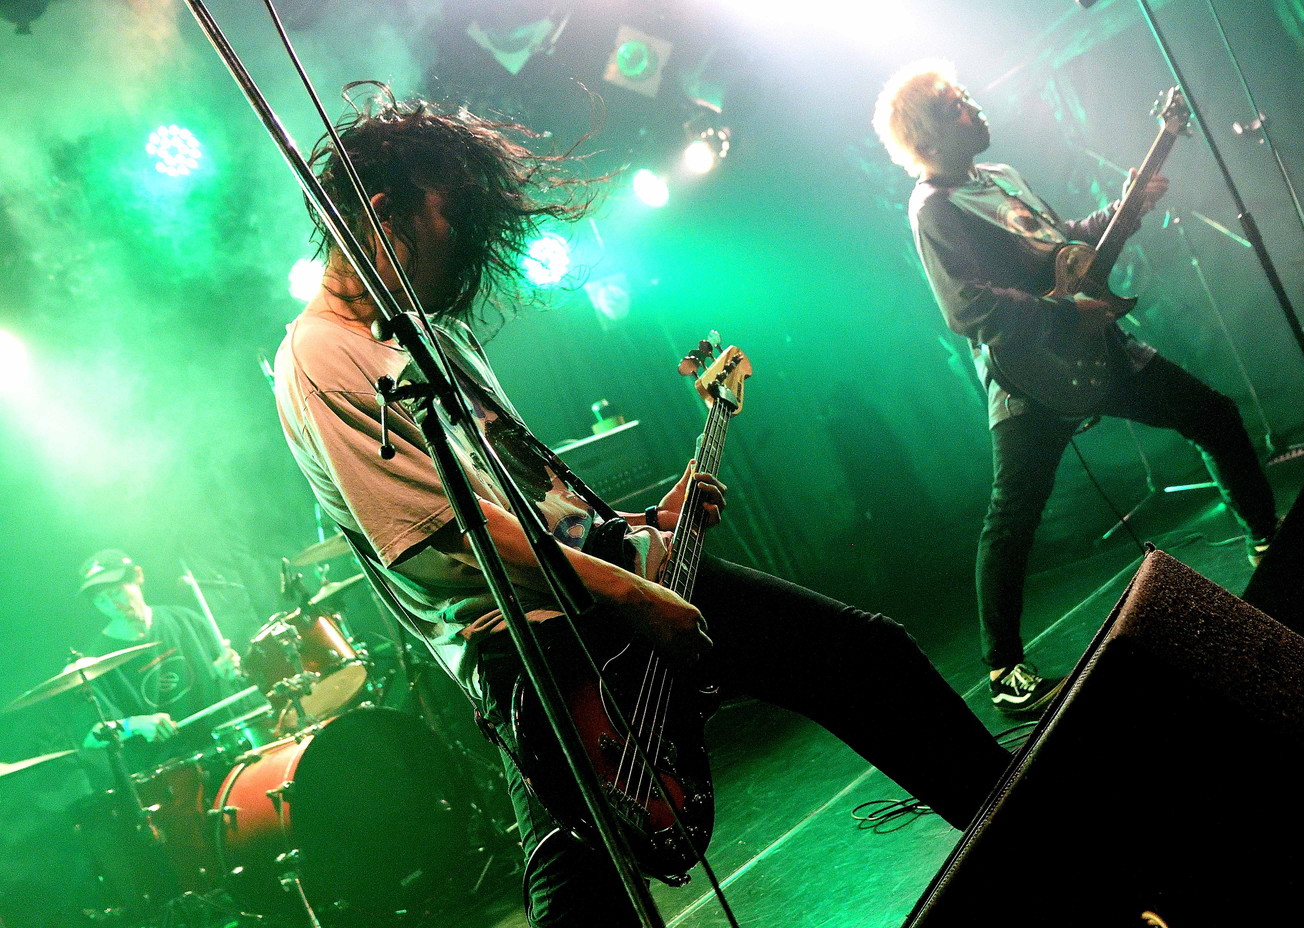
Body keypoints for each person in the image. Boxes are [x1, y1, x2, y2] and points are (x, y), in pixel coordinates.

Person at [273, 87, 1011, 927]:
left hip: (602, 589)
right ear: (382, 214)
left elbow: (524, 498)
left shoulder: (431, 335)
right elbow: (449, 535)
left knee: (865, 661)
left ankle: (1036, 836)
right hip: (538, 646)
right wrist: (632, 591)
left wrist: (640, 530)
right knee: (585, 884)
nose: (467, 247)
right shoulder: (321, 356)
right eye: (453, 220)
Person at [872, 62, 1279, 717]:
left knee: (1213, 414)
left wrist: (1125, 208)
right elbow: (967, 307)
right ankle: (1004, 671)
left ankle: (1267, 543)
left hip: (1096, 347)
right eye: (954, 104)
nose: (973, 105)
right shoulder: (934, 208)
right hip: (1029, 377)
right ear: (926, 133)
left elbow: (1068, 251)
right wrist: (1063, 315)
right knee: (1012, 516)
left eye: (967, 94)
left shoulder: (1001, 177)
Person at [72, 548, 244, 770]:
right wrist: (134, 724)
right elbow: (91, 736)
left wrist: (227, 672)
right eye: (101, 601)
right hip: (171, 771)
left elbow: (232, 679)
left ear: (138, 576)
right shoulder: (96, 661)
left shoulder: (185, 620)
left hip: (227, 744)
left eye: (116, 592)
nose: (114, 606)